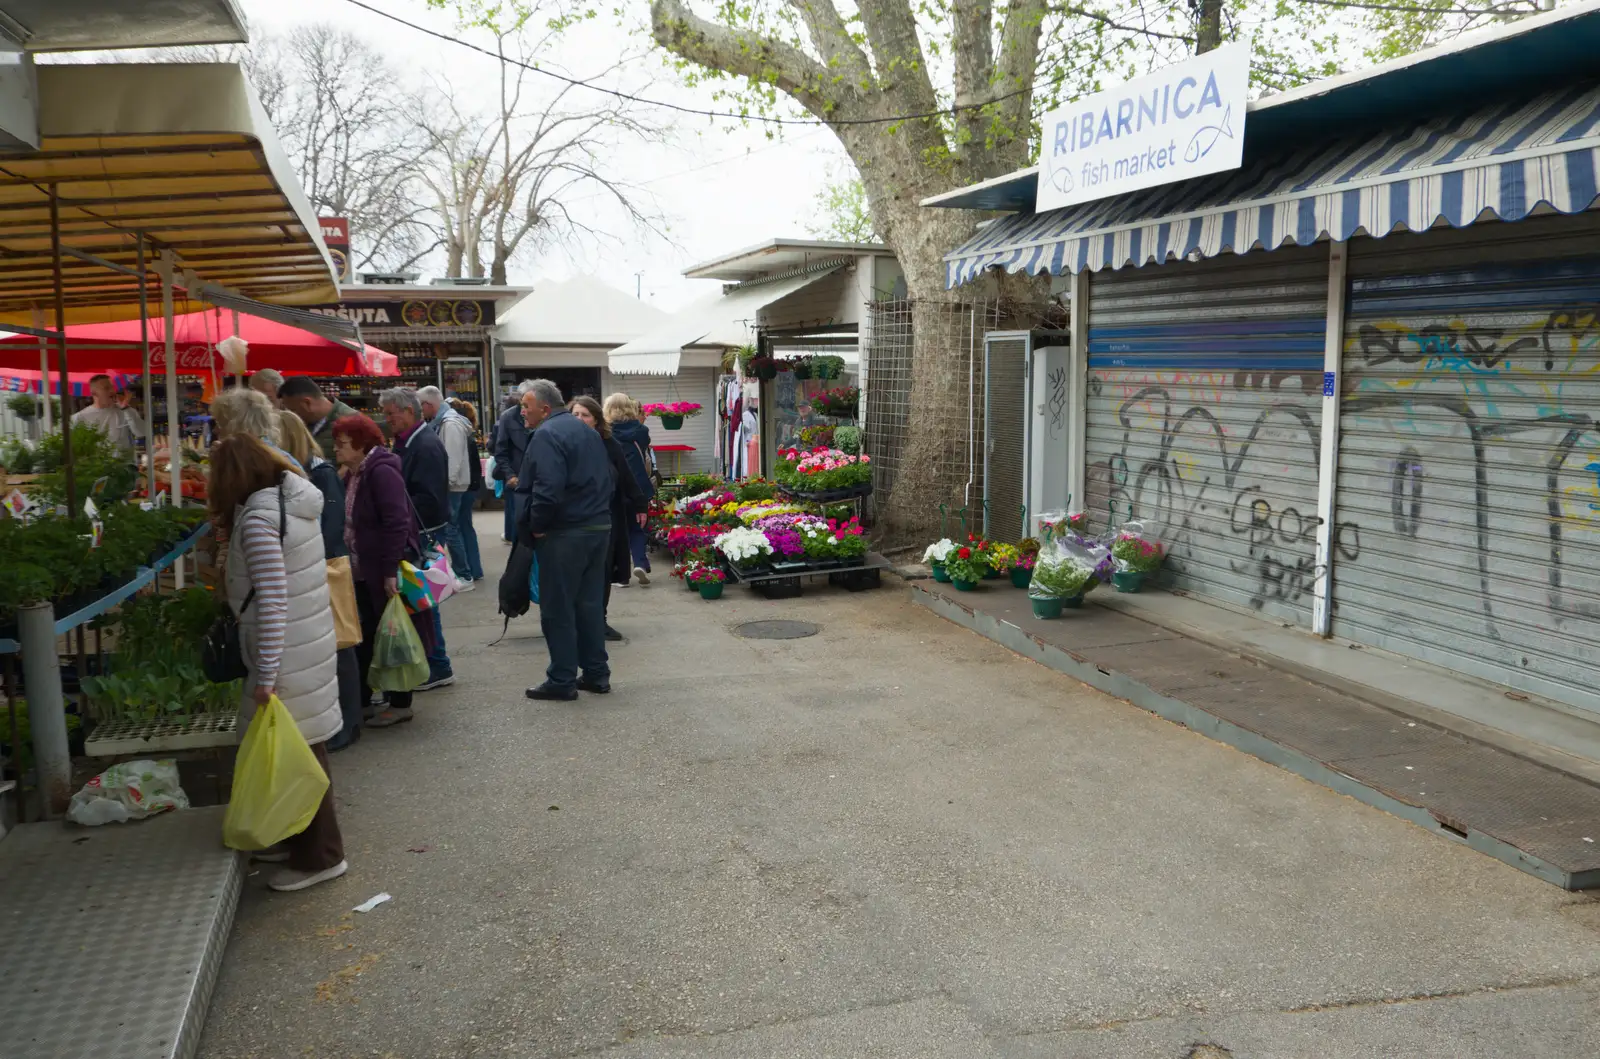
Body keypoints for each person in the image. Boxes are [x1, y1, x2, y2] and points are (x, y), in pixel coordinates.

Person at [208, 433, 347, 891]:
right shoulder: (291, 505)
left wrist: (266, 672)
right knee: (299, 745)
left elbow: (271, 600)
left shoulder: (258, 520)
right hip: (306, 643)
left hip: (286, 653)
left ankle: (321, 855)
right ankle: (296, 837)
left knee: (298, 751)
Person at [334, 413, 438, 728]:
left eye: (342, 444)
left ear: (361, 444)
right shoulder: (353, 473)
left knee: (393, 634)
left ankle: (400, 702)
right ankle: (365, 700)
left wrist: (390, 570)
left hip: (381, 569)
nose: (336, 449)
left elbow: (397, 522)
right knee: (368, 636)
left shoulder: (381, 472)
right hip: (361, 569)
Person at [514, 379, 614, 702]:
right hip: (595, 528)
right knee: (589, 606)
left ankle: (562, 679)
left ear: (544, 409)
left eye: (526, 406)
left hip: (566, 532)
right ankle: (596, 673)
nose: (522, 412)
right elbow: (606, 478)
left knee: (558, 609)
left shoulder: (547, 434)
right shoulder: (586, 431)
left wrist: (538, 525)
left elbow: (547, 487)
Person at [279, 411, 362, 752]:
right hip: (321, 565)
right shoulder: (304, 472)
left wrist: (312, 560)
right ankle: (340, 721)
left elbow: (332, 524)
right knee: (331, 647)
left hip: (330, 567)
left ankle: (349, 722)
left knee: (340, 644)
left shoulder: (320, 472)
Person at [377, 387, 453, 689]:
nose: (387, 419)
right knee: (419, 601)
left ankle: (438, 665)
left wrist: (395, 509)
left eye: (390, 414)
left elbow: (430, 499)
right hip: (419, 531)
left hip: (423, 533)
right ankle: (432, 663)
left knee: (423, 601)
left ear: (409, 411)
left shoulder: (425, 445)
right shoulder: (409, 441)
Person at [570, 396, 647, 642]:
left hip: (605, 517)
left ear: (597, 419)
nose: (579, 419)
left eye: (585, 415)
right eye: (575, 414)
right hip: (572, 519)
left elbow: (625, 475)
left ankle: (598, 621)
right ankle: (574, 622)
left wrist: (640, 504)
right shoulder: (562, 442)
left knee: (602, 570)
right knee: (576, 573)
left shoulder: (608, 443)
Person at [416, 385, 477, 591]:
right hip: (454, 484)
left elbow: (452, 459)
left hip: (453, 486)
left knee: (451, 530)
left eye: (420, 406)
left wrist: (444, 485)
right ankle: (463, 573)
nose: (420, 411)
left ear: (428, 404)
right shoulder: (445, 422)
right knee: (453, 529)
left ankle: (464, 575)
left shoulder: (449, 424)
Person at [604, 393, 656, 584]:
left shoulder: (604, 432)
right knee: (638, 526)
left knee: (616, 529)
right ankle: (640, 563)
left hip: (615, 485)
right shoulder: (641, 430)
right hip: (639, 485)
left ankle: (620, 574)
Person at [209, 387, 303, 471]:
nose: (215, 430)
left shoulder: (260, 462)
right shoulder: (271, 455)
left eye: (219, 424)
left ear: (238, 425)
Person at [446, 397, 486, 585]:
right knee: (466, 526)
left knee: (455, 528)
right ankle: (475, 568)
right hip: (471, 485)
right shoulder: (466, 431)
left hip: (462, 486)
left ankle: (465, 570)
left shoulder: (455, 430)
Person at [278, 376, 358, 462]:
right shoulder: (302, 423)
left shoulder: (352, 421)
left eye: (293, 410)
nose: (291, 415)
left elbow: (355, 464)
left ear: (307, 403)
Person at [493, 382, 535, 543]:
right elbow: (500, 450)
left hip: (537, 477)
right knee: (517, 520)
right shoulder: (508, 417)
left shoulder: (542, 415)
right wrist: (510, 475)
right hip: (516, 477)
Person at [72, 374, 144, 454]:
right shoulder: (79, 417)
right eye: (106, 388)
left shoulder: (125, 411)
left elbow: (142, 433)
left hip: (125, 461)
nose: (112, 391)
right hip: (96, 461)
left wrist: (126, 408)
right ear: (94, 393)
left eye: (112, 387)